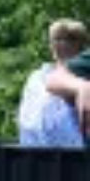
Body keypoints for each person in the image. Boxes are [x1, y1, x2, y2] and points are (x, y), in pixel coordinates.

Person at [21, 20, 89, 148]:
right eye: (56, 39)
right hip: (35, 154)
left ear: (81, 45)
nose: (61, 44)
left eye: (70, 39)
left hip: (77, 156)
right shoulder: (37, 78)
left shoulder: (84, 74)